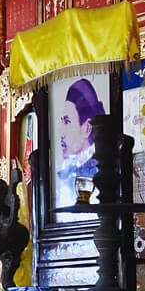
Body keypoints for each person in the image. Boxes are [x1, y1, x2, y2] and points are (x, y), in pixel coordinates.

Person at [55, 78, 106, 207]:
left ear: (87, 128)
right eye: (62, 122)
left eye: (67, 122)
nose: (61, 134)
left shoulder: (102, 168)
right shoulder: (67, 171)